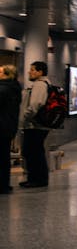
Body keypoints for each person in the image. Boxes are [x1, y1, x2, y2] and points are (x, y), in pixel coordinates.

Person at [18, 61, 51, 189]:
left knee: (32, 151)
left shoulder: (40, 85)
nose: (29, 72)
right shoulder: (44, 84)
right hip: (37, 124)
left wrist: (25, 116)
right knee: (35, 151)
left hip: (35, 125)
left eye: (32, 70)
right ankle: (36, 178)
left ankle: (37, 179)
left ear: (40, 72)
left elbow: (36, 104)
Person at [0, 65, 20, 194]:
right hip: (8, 126)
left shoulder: (3, 89)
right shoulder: (15, 87)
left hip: (1, 126)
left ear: (7, 74)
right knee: (4, 156)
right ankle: (4, 184)